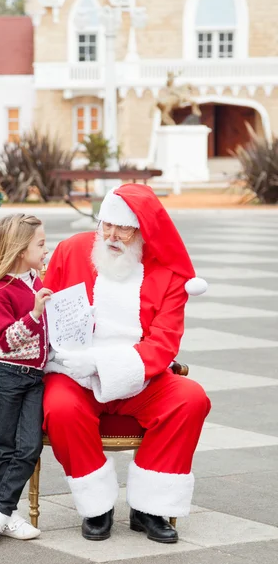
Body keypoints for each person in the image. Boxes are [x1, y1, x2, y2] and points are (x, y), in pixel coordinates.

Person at [43, 183, 211, 544]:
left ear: (142, 231)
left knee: (190, 397)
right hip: (76, 373)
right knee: (59, 407)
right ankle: (96, 507)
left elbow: (164, 344)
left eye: (123, 228)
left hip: (141, 377)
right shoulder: (72, 251)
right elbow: (46, 309)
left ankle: (149, 506)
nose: (112, 236)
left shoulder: (166, 272)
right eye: (106, 225)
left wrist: (105, 364)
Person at [0, 214, 52, 545]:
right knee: (5, 446)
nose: (46, 248)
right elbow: (6, 340)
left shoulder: (37, 282)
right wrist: (35, 314)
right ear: (21, 249)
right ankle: (6, 513)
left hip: (36, 378)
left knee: (31, 446)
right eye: (40, 243)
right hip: (6, 375)